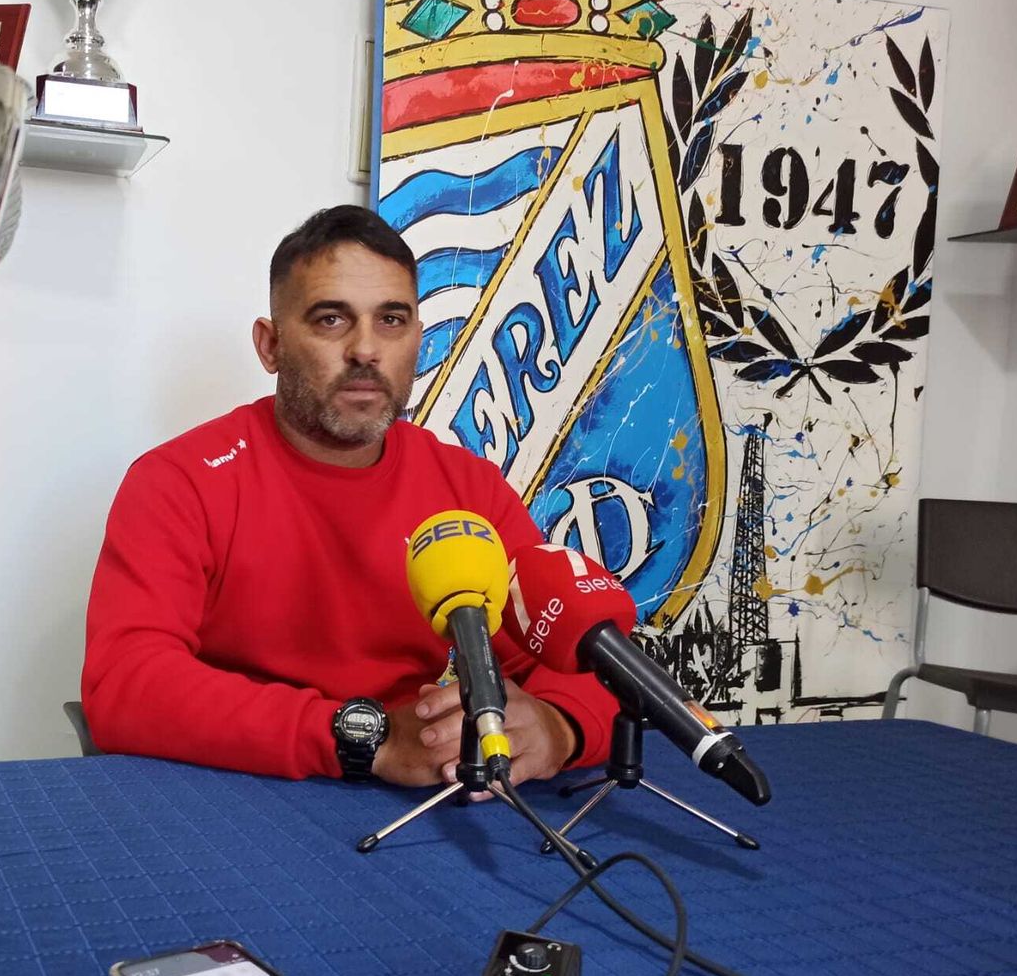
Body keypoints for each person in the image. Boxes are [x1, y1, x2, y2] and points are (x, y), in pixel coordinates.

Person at [81, 206, 616, 787]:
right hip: (234, 790)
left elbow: (579, 652)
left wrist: (558, 727)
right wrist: (368, 737)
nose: (366, 349)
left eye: (392, 319)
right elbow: (125, 684)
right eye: (332, 319)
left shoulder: (468, 489)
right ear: (270, 346)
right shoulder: (179, 481)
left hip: (418, 794)